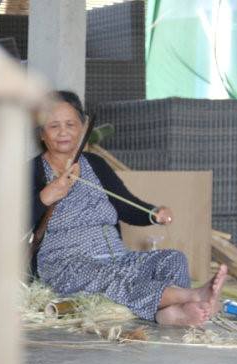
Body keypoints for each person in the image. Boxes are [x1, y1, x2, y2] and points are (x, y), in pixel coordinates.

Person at [31, 90, 228, 326]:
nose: (63, 132)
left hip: (116, 257)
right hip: (66, 264)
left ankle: (169, 313)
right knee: (110, 277)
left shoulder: (95, 164)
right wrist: (46, 195)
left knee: (173, 259)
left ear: (82, 128)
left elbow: (124, 204)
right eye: (53, 126)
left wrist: (152, 214)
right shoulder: (31, 171)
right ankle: (193, 296)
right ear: (42, 133)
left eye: (70, 124)